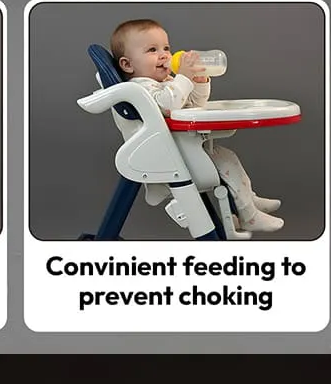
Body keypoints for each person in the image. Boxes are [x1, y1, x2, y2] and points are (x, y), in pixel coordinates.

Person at [108, 15, 283, 233]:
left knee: (227, 157)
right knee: (225, 163)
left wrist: (199, 82)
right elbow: (169, 104)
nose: (164, 55)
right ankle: (249, 215)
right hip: (169, 156)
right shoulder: (140, 87)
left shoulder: (165, 82)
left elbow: (194, 104)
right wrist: (183, 78)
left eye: (166, 48)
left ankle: (248, 201)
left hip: (182, 148)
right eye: (152, 50)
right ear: (127, 64)